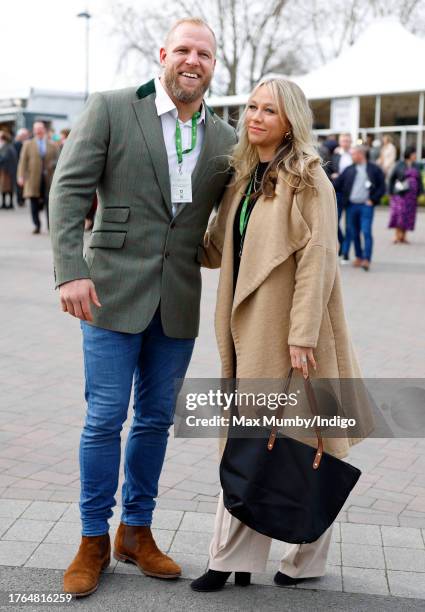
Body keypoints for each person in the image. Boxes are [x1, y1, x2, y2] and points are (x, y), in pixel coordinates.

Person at [49, 17, 237, 598]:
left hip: (177, 299)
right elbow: (69, 189)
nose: (192, 61)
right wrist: (70, 272)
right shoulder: (111, 108)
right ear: (163, 54)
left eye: (204, 54)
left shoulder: (226, 138)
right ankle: (91, 539)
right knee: (105, 418)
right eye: (183, 49)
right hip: (108, 291)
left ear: (212, 65)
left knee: (155, 420)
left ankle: (136, 531)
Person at [191, 77, 373, 592]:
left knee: (304, 446)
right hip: (250, 329)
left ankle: (293, 559)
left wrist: (302, 337)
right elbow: (217, 249)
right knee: (260, 444)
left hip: (294, 333)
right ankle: (236, 559)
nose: (255, 117)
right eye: (250, 107)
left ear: (289, 119)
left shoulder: (310, 181)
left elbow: (318, 263)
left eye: (268, 110)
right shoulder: (244, 178)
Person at [335, 145, 385, 271]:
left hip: (366, 206)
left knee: (366, 231)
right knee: (353, 232)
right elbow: (337, 185)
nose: (352, 156)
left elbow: (382, 187)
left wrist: (373, 200)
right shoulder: (349, 170)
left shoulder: (374, 169)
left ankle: (367, 259)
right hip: (351, 206)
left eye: (353, 154)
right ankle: (358, 256)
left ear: (361, 154)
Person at [17, 121, 58, 233]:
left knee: (49, 202)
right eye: (37, 129)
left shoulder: (52, 145)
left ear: (44, 130)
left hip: (48, 179)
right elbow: (22, 161)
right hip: (32, 178)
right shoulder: (28, 144)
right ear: (34, 131)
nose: (39, 131)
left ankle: (50, 226)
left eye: (41, 128)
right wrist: (20, 176)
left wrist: (52, 165)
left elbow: (58, 160)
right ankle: (37, 225)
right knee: (33, 202)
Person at [388, 146, 423, 244]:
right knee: (399, 214)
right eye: (413, 154)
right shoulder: (399, 164)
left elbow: (419, 180)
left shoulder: (416, 165)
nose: (415, 155)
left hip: (412, 196)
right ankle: (397, 235)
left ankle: (404, 236)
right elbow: (391, 179)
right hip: (400, 194)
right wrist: (390, 192)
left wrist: (420, 193)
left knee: (408, 216)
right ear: (408, 154)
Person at [330, 133, 352, 258]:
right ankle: (342, 243)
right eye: (343, 140)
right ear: (340, 142)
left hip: (351, 194)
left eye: (348, 140)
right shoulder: (335, 155)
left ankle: (346, 252)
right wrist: (333, 175)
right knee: (334, 222)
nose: (346, 142)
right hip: (338, 192)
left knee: (350, 225)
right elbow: (330, 169)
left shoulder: (354, 155)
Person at [0, 131, 17, 209]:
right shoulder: (7, 146)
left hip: (7, 171)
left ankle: (9, 203)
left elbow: (5, 158)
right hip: (5, 170)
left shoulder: (8, 147)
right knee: (4, 188)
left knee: (8, 187)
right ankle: (4, 203)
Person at [13, 128, 30, 206]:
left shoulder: (29, 142)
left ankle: (23, 198)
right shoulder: (16, 143)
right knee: (19, 184)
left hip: (27, 166)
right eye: (23, 135)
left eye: (26, 135)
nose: (25, 136)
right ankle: (20, 200)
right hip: (18, 165)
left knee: (25, 183)